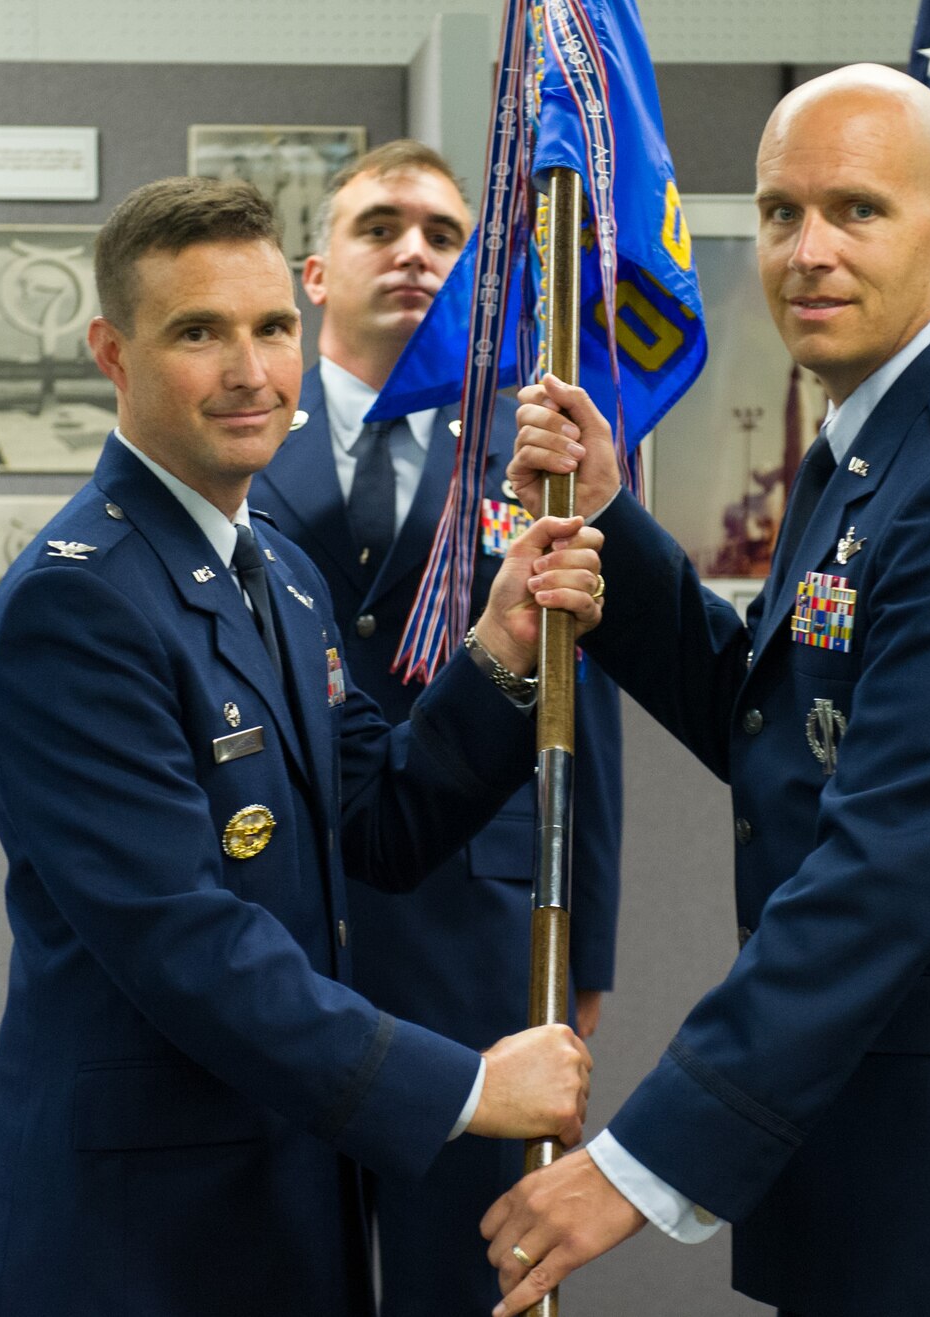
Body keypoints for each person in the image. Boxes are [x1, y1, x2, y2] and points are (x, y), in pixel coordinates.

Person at [482, 65, 930, 1317]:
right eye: (776, 214)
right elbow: (783, 727)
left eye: (855, 210)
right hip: (887, 1155)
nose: (806, 252)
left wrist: (637, 1163)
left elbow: (883, 868)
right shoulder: (875, 442)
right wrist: (607, 517)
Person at [0, 176, 610, 1317]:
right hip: (144, 1229)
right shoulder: (79, 606)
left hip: (283, 1190)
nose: (249, 372)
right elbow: (185, 942)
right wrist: (461, 1085)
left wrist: (501, 652)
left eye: (270, 328)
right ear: (111, 352)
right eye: (197, 333)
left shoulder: (278, 570)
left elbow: (381, 817)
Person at [250, 139, 626, 1317]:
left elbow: (586, 718)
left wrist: (587, 958)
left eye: (444, 236)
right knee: (281, 1262)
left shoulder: (529, 462)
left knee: (461, 1282)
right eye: (378, 227)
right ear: (315, 272)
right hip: (296, 921)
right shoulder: (242, 443)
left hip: (480, 938)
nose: (412, 251)